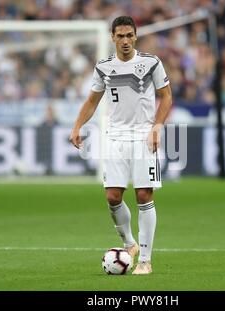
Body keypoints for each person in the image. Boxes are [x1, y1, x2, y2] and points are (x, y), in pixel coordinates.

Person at [69, 16, 172, 275]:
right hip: (114, 136)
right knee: (113, 196)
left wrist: (157, 127)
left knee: (143, 195)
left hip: (143, 136)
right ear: (112, 38)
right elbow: (92, 101)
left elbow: (167, 96)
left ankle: (145, 260)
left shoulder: (150, 62)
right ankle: (129, 244)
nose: (125, 41)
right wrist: (77, 126)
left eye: (129, 35)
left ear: (135, 36)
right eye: (120, 36)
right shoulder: (104, 67)